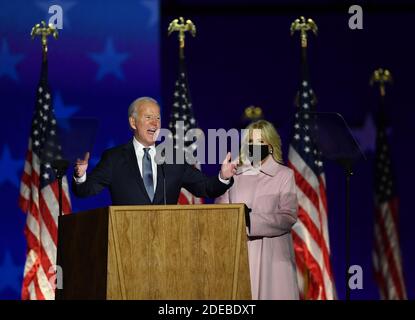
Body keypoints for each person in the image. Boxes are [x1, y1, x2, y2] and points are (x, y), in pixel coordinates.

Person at [73, 97, 237, 205]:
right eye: (148, 117)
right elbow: (86, 190)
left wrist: (222, 177)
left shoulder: (173, 157)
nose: (155, 123)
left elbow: (205, 187)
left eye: (158, 118)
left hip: (167, 241)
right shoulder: (114, 158)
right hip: (127, 242)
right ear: (133, 122)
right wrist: (80, 176)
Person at [215, 119, 299, 300]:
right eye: (251, 142)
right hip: (241, 254)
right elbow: (220, 214)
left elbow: (288, 216)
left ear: (271, 145)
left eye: (261, 142)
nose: (256, 146)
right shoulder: (236, 174)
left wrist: (250, 220)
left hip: (273, 259)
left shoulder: (284, 175)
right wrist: (223, 178)